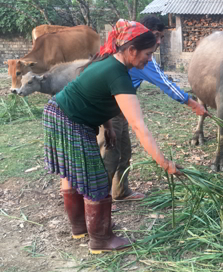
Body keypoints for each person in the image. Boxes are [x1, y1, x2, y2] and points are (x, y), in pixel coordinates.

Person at [43, 20, 184, 253]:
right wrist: (163, 162)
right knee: (96, 178)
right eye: (148, 54)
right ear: (131, 50)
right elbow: (139, 126)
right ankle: (101, 239)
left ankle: (81, 228)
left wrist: (108, 125)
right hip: (70, 121)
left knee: (71, 172)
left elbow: (96, 97)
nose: (150, 59)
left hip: (58, 113)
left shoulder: (110, 64)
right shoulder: (119, 75)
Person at [97, 16, 207, 202]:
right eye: (155, 36)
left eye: (161, 37)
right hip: (109, 110)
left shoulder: (127, 53)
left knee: (124, 152)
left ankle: (119, 191)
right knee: (109, 154)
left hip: (120, 110)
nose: (158, 42)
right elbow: (164, 83)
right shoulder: (132, 59)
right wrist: (193, 103)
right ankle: (101, 199)